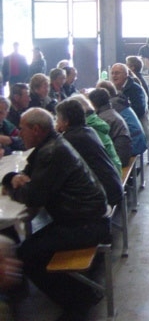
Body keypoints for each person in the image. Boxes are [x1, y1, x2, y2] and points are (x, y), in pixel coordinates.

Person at [2, 108, 110, 321]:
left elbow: (33, 197)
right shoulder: (51, 145)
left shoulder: (51, 152)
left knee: (26, 255)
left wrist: (11, 186)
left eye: (22, 129)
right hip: (86, 218)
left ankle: (80, 301)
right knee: (30, 249)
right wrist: (13, 178)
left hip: (86, 225)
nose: (19, 134)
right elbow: (28, 176)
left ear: (36, 129)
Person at [55, 98, 123, 207]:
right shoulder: (88, 130)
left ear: (66, 121)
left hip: (105, 194)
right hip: (113, 186)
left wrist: (56, 134)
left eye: (57, 119)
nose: (56, 122)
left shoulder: (71, 139)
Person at [88, 87, 132, 168]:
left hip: (119, 158)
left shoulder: (103, 119)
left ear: (93, 104)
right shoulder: (110, 112)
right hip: (123, 153)